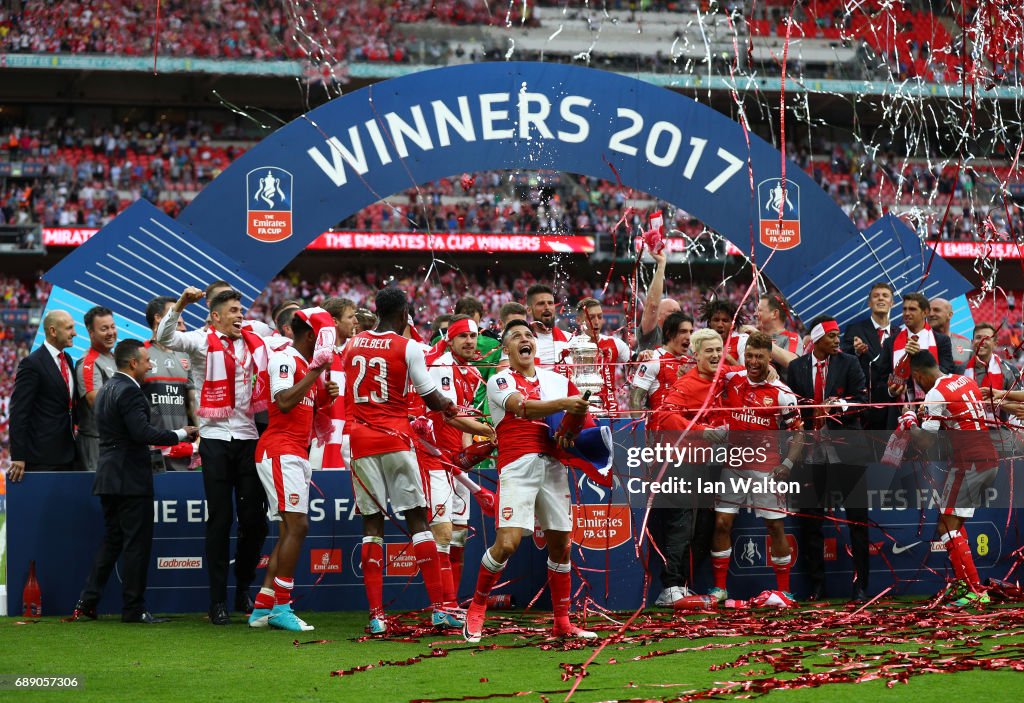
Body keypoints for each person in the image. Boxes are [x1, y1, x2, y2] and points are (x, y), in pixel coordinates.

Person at [345, 287, 468, 635]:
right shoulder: (408, 346)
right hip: (395, 439)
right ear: (403, 316)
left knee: (372, 526)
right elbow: (428, 395)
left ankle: (376, 616)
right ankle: (439, 608)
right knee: (417, 520)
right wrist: (447, 404)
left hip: (359, 441)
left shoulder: (354, 344)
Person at [463, 319, 595, 642]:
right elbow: (522, 409)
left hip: (552, 465)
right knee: (507, 543)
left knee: (562, 545)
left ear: (535, 346)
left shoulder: (555, 381)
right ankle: (477, 606)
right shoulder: (500, 380)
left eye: (529, 336)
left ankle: (561, 622)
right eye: (516, 337)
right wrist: (566, 405)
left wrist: (570, 431)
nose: (525, 340)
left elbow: (579, 421)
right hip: (516, 465)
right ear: (506, 348)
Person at [156, 286, 270, 625]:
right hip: (215, 438)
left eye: (241, 310)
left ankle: (243, 590)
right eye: (233, 311)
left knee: (255, 521)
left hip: (249, 436)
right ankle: (217, 600)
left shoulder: (255, 338)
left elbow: (285, 334)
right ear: (216, 316)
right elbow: (165, 336)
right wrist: (180, 304)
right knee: (220, 521)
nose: (240, 315)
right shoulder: (200, 340)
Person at [72, 339, 198, 623]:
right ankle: (133, 609)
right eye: (145, 361)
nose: (150, 364)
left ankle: (87, 602)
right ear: (133, 363)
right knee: (136, 545)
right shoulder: (129, 391)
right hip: (129, 478)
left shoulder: (105, 390)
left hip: (108, 476)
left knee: (113, 541)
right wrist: (180, 434)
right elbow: (142, 433)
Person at [249, 308, 339, 632]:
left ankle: (263, 606)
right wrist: (316, 375)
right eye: (327, 335)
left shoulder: (303, 366)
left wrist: (326, 398)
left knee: (290, 529)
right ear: (312, 335)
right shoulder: (285, 359)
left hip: (295, 452)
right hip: (279, 451)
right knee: (297, 527)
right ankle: (282, 608)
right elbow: (284, 402)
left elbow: (305, 414)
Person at [709, 332, 804, 604]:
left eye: (759, 357)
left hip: (765, 468)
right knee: (721, 523)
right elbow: (706, 369)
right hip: (733, 466)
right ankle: (719, 590)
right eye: (749, 355)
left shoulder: (782, 392)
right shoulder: (732, 378)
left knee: (775, 528)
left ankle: (784, 591)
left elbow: (799, 432)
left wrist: (787, 463)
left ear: (769, 358)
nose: (753, 361)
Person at [903, 350, 999, 606]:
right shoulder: (964, 380)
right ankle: (967, 585)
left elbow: (925, 442)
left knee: (946, 525)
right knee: (953, 524)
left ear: (918, 375)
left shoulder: (936, 393)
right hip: (987, 458)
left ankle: (974, 591)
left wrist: (910, 421)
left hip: (969, 463)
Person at [786, 315, 871, 602]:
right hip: (810, 453)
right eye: (832, 335)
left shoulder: (849, 363)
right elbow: (791, 405)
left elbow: (863, 399)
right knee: (812, 522)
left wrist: (842, 405)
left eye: (838, 335)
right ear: (817, 338)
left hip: (847, 449)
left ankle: (861, 587)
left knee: (857, 520)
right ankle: (817, 586)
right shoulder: (796, 368)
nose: (838, 340)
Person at [647, 328, 734, 605]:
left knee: (703, 528)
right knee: (682, 524)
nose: (715, 355)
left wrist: (768, 371)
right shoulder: (686, 384)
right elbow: (663, 416)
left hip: (712, 465)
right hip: (683, 463)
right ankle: (670, 586)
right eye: (708, 350)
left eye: (719, 350)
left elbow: (750, 367)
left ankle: (683, 585)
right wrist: (700, 431)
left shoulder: (726, 377)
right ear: (695, 355)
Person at [412, 315, 495, 607]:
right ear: (450, 340)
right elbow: (450, 415)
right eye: (463, 337)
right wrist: (488, 431)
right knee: (443, 533)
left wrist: (468, 456)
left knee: (459, 535)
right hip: (432, 456)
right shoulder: (442, 366)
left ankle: (451, 605)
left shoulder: (472, 372)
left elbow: (466, 416)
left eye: (473, 337)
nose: (470, 342)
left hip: (453, 462)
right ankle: (441, 606)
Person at [8, 309, 78, 482]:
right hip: (42, 459)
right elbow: (19, 412)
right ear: (53, 331)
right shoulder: (32, 364)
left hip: (68, 454)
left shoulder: (67, 359)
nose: (75, 333)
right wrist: (18, 455)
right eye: (69, 328)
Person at [874, 291, 955, 430]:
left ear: (925, 312)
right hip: (899, 411)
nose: (906, 313)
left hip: (933, 408)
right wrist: (891, 390)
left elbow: (947, 374)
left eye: (912, 309)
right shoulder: (891, 342)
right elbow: (880, 378)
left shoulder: (941, 340)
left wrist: (920, 356)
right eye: (904, 309)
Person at [143, 296, 197, 472]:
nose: (180, 318)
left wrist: (199, 436)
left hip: (183, 447)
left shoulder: (184, 356)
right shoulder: (141, 353)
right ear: (159, 318)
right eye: (176, 311)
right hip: (151, 448)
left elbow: (192, 401)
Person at [841, 282, 897, 431]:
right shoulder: (855, 329)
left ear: (892, 302)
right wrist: (856, 351)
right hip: (867, 404)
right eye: (876, 296)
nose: (880, 299)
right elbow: (842, 356)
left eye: (885, 296)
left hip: (893, 402)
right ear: (869, 303)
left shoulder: (899, 333)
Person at [310, 296, 357, 471]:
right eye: (351, 317)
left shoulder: (345, 354)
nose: (356, 321)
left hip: (345, 441)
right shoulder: (319, 355)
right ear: (335, 321)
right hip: (324, 444)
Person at [566, 298, 630, 416]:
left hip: (610, 413)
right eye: (591, 317)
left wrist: (643, 355)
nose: (596, 322)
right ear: (579, 320)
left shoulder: (615, 343)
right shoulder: (569, 347)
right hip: (579, 413)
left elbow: (636, 363)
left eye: (600, 317)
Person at [75, 305, 118, 471]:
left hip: (114, 440)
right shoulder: (89, 362)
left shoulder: (116, 358)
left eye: (113, 327)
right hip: (96, 442)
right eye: (104, 329)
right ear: (91, 332)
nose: (110, 333)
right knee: (99, 493)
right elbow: (96, 401)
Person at [628, 312, 694, 418]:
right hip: (661, 430)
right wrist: (638, 432)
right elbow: (635, 399)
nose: (688, 337)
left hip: (688, 429)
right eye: (683, 331)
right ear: (669, 333)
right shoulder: (653, 359)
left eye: (690, 332)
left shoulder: (691, 363)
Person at [636, 249, 682, 353]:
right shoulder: (652, 335)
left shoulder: (686, 341)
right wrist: (661, 265)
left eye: (679, 312)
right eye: (673, 312)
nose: (678, 316)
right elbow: (652, 305)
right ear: (658, 315)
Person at [526, 284, 569, 370]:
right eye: (541, 304)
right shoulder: (521, 342)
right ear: (529, 310)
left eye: (550, 303)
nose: (547, 307)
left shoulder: (569, 339)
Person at [929, 297, 972, 371]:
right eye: (929, 311)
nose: (931, 314)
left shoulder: (966, 343)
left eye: (936, 310)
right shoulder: (920, 342)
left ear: (950, 315)